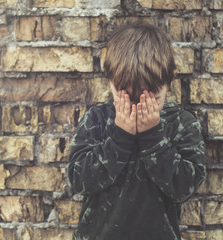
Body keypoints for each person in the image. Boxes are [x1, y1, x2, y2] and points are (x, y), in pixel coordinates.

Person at [68, 22, 206, 240]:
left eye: (152, 99)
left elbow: (184, 188)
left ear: (171, 78)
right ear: (108, 76)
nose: (136, 108)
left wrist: (153, 137)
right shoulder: (96, 119)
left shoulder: (182, 123)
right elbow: (78, 180)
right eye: (127, 99)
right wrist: (119, 138)